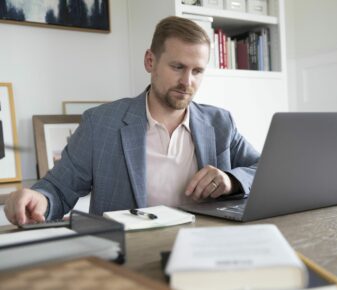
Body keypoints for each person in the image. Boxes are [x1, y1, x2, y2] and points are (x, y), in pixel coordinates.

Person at [5, 16, 260, 225]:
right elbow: (59, 188)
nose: (187, 82)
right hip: (127, 259)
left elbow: (262, 169)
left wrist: (231, 180)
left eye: (197, 71)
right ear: (150, 61)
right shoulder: (100, 124)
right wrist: (37, 197)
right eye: (178, 67)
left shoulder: (220, 122)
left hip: (203, 251)